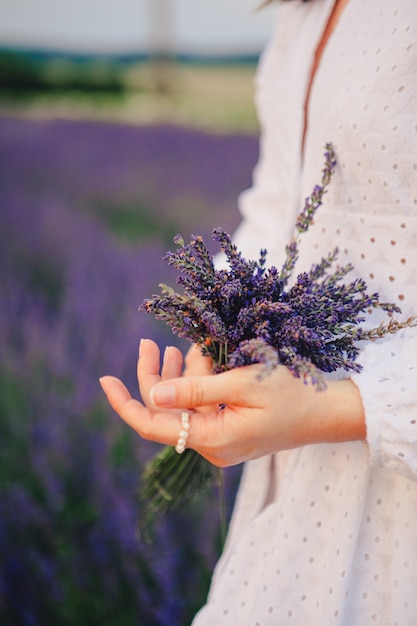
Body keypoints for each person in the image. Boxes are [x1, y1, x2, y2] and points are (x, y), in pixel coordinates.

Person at [100, 0, 417, 623]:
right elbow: (280, 206)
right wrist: (220, 334)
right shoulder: (302, 13)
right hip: (297, 484)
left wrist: (340, 407)